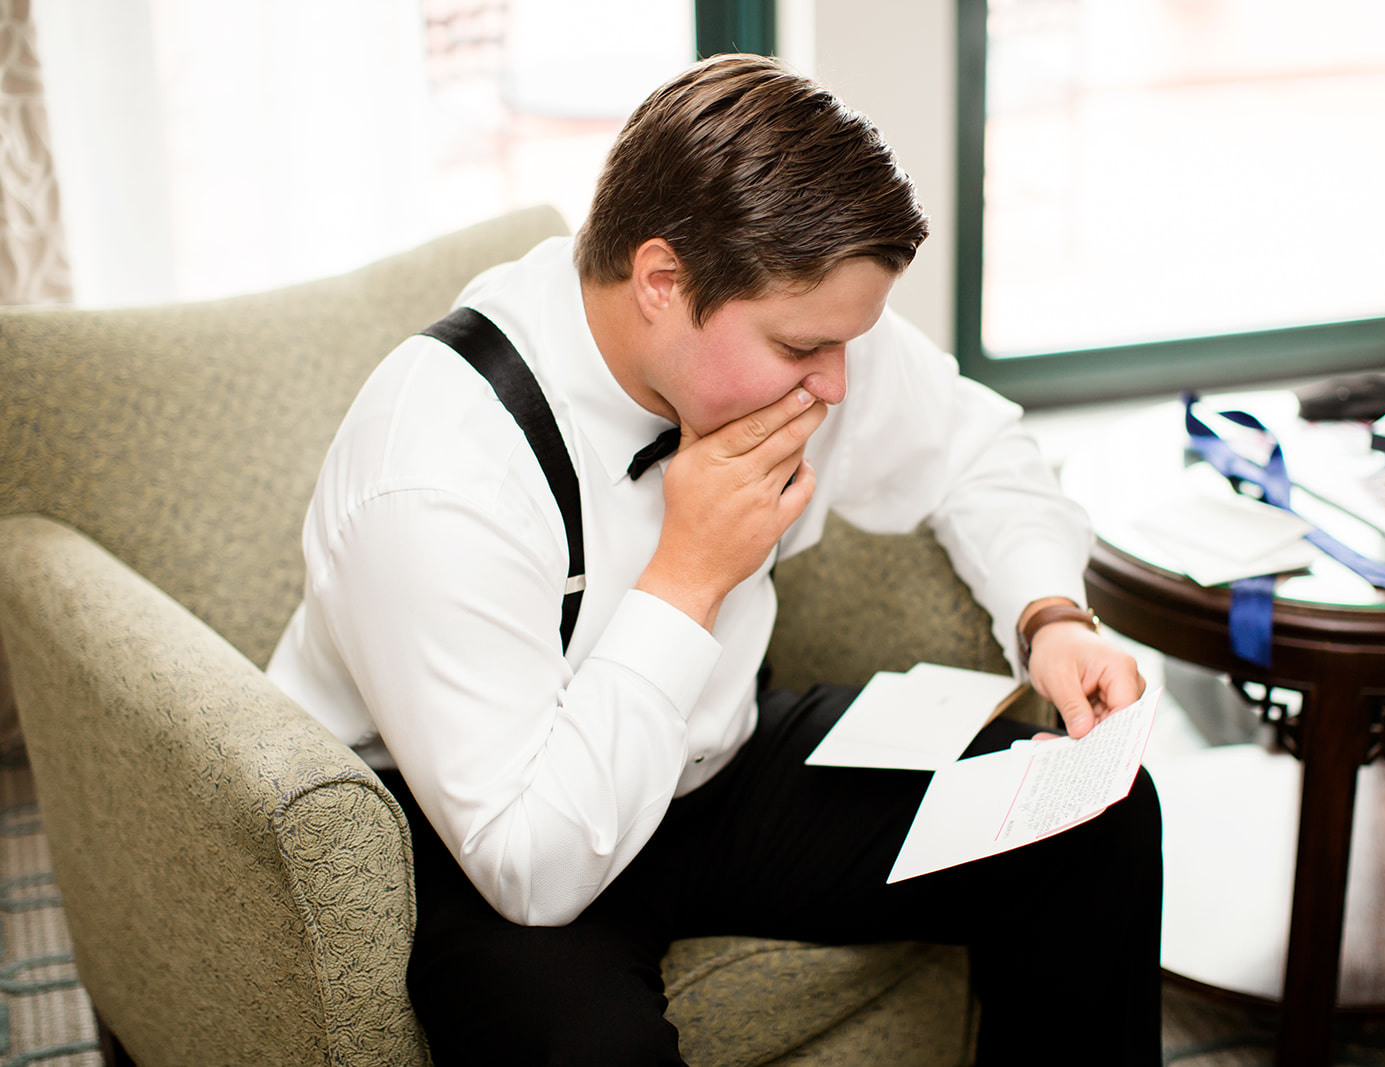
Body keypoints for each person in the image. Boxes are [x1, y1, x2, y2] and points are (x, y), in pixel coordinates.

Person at [267, 53, 1162, 1065]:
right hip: (483, 829)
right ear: (661, 281)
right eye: (799, 348)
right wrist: (689, 569)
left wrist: (1049, 617)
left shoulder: (803, 346)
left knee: (1095, 810)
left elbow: (977, 446)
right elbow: (530, 863)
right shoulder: (432, 471)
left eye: (845, 344)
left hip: (713, 762)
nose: (832, 384)